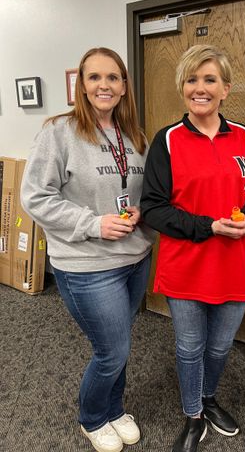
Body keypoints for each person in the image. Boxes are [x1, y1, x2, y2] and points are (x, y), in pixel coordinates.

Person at [21, 47, 155, 452]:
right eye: (94, 77)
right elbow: (35, 197)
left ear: (124, 86)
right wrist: (93, 224)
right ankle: (93, 417)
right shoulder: (58, 131)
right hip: (87, 265)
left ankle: (114, 409)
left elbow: (143, 190)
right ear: (81, 84)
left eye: (113, 77)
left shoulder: (133, 135)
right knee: (111, 350)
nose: (104, 85)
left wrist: (141, 208)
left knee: (122, 343)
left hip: (135, 257)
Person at [140, 44, 245, 452]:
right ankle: (192, 415)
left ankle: (208, 398)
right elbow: (153, 210)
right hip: (186, 267)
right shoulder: (168, 140)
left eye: (209, 79)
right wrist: (208, 226)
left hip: (234, 264)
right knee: (189, 347)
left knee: (218, 347)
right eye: (192, 80)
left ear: (225, 88)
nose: (200, 88)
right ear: (183, 88)